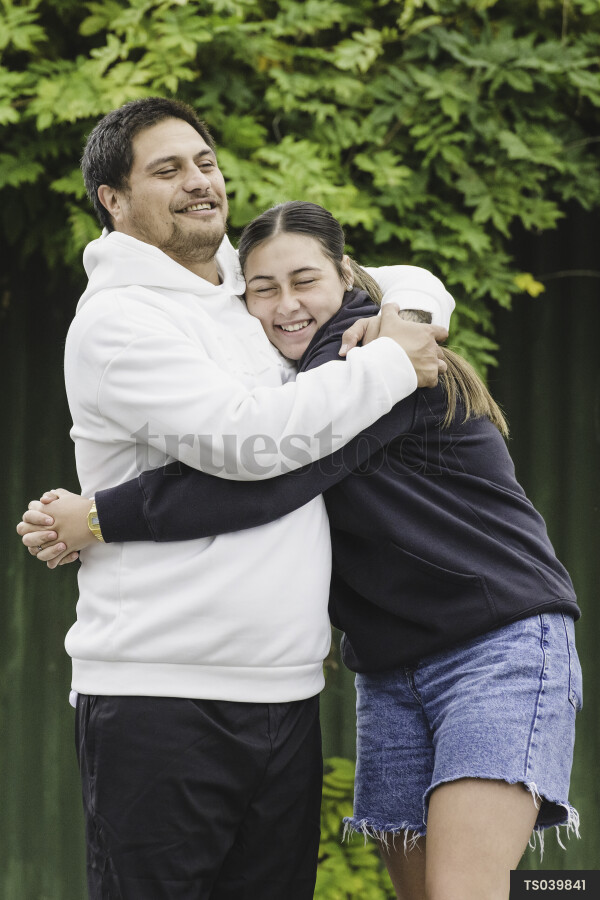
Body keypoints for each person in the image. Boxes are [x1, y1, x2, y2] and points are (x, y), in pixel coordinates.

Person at [20, 201, 582, 900]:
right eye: (263, 287)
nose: (286, 304)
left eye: (304, 280)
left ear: (346, 275)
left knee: (464, 889)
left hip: (494, 644)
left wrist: (100, 516)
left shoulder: (374, 361)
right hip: (390, 666)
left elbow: (266, 485)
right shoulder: (305, 377)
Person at [16, 100, 452, 900]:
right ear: (112, 199)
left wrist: (410, 314)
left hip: (284, 695)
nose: (198, 181)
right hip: (159, 695)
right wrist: (392, 360)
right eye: (167, 169)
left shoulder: (248, 295)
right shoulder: (117, 323)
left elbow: (398, 279)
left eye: (205, 161)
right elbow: (250, 443)